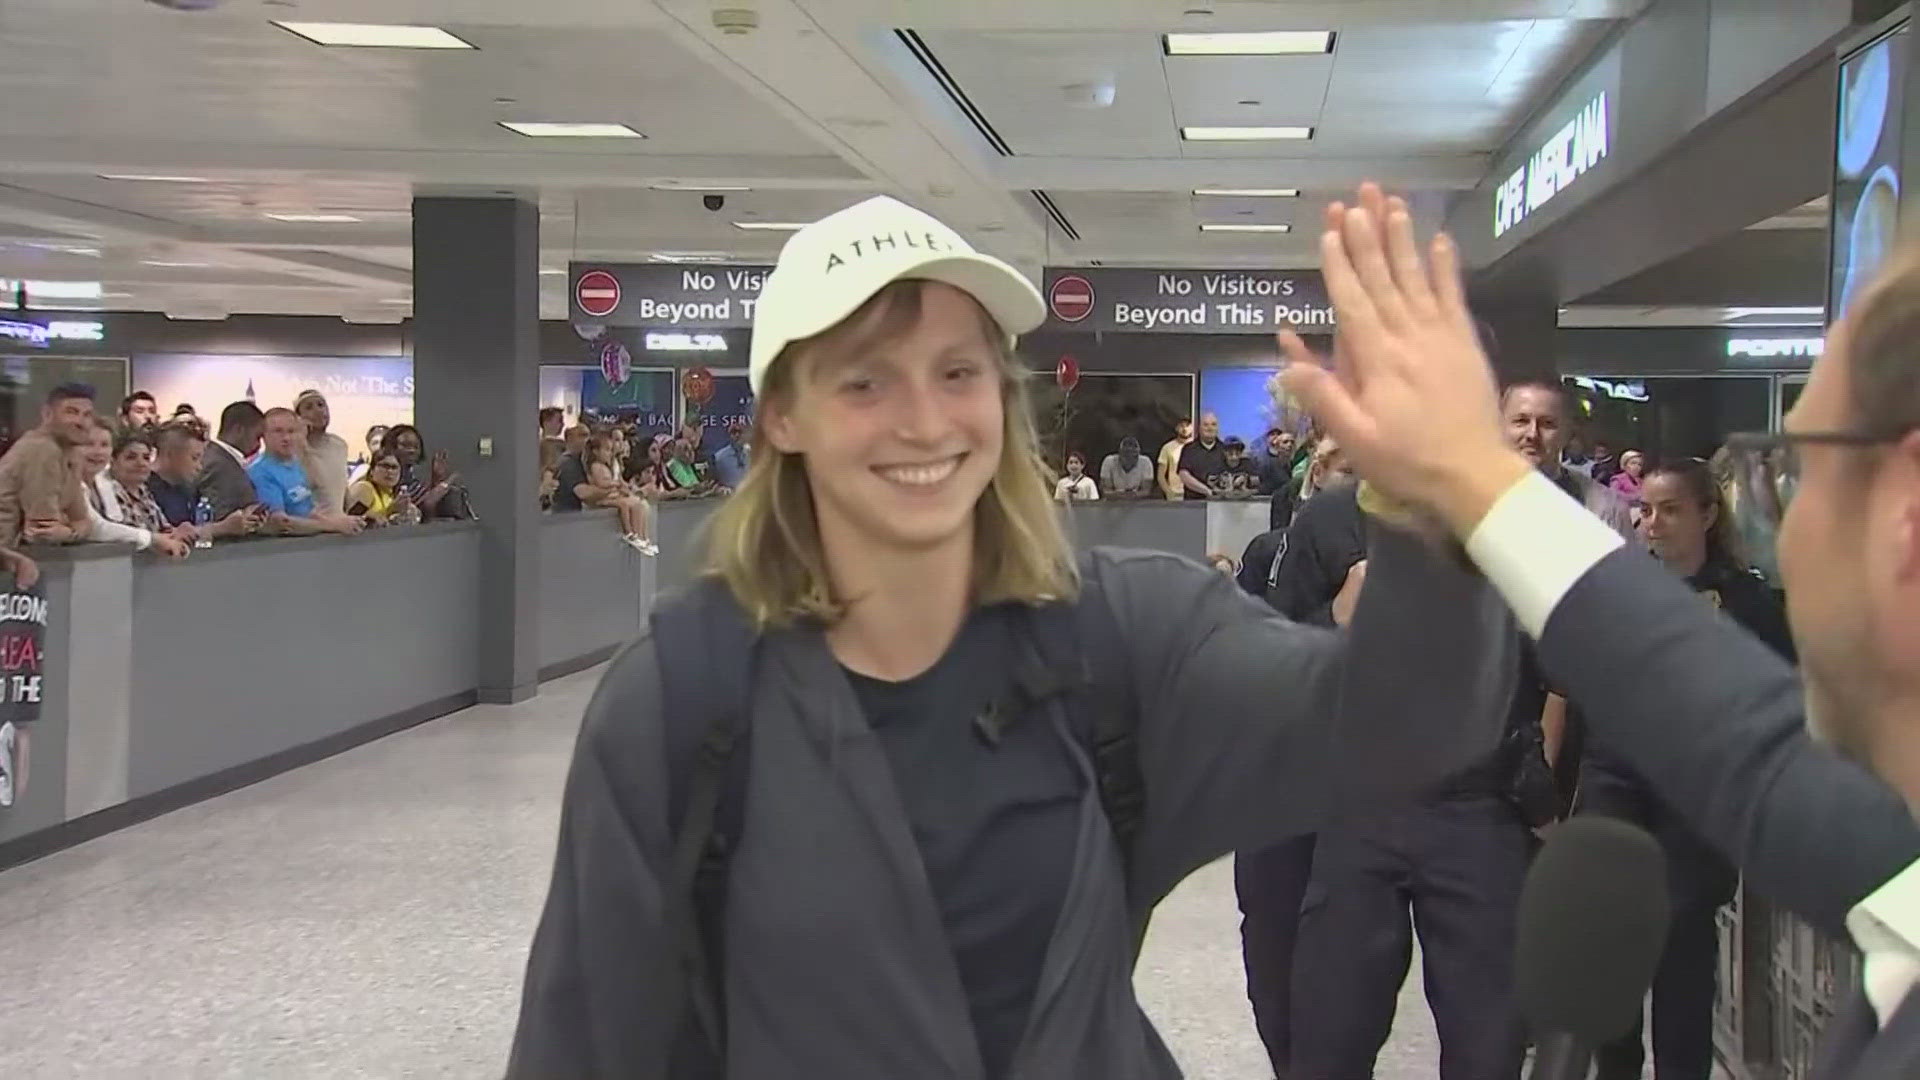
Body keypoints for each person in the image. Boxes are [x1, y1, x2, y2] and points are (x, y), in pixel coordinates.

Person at [508, 194, 1469, 1080]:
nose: (924, 421)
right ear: (782, 419)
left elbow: (1393, 725)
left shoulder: (1121, 640)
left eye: (957, 372)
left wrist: (1432, 500)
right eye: (864, 382)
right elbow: (586, 1039)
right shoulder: (684, 698)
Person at [1275, 183, 1920, 1077]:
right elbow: (1737, 733)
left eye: (1792, 473)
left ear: (1906, 515)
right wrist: (1461, 477)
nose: (1780, 521)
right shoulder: (1894, 867)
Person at [1585, 458, 1793, 1080]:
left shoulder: (1745, 599)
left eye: (1671, 510)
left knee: (1681, 951)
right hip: (1618, 780)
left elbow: (1777, 694)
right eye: (1646, 510)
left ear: (1706, 514)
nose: (1654, 523)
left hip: (1697, 794)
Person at [1232, 470, 1367, 1075]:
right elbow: (1262, 662)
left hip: (1409, 792)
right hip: (1290, 776)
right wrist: (1337, 616)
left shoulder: (1466, 526)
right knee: (1277, 959)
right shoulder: (1295, 540)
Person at [1502, 379, 1636, 536]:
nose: (1532, 434)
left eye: (1547, 423)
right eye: (1521, 421)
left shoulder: (1605, 509)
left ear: (1568, 433)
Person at [0, 383, 99, 549]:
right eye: (71, 412)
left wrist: (68, 531)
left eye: (87, 415)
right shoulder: (42, 449)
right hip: (9, 561)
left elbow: (83, 521)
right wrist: (71, 529)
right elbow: (42, 533)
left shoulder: (71, 454)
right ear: (47, 414)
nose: (81, 422)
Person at [70, 421, 188, 558]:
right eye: (89, 444)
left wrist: (176, 533)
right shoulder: (73, 484)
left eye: (104, 445)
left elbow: (161, 530)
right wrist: (153, 539)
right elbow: (97, 529)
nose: (97, 452)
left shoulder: (141, 491)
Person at [248, 408, 363, 536]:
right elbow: (280, 522)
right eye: (278, 431)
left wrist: (341, 521)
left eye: (291, 431)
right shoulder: (261, 472)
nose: (286, 438)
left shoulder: (297, 463)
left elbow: (308, 510)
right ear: (264, 435)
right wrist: (331, 526)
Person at [147, 422, 260, 539]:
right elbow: (161, 538)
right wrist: (221, 528)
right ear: (170, 454)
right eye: (194, 458)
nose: (199, 466)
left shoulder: (187, 488)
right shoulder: (146, 490)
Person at [580, 433, 657, 553]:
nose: (610, 454)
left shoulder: (608, 466)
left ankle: (642, 536)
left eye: (611, 451)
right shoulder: (595, 467)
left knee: (638, 504)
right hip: (604, 498)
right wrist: (614, 484)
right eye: (607, 450)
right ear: (595, 451)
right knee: (624, 504)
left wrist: (626, 487)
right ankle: (629, 532)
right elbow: (601, 483)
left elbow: (619, 481)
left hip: (613, 494)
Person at [385, 424, 471, 520]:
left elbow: (425, 509)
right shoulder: (385, 478)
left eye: (416, 447)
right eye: (405, 445)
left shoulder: (412, 480)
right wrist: (447, 483)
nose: (412, 451)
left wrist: (437, 479)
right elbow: (426, 503)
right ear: (391, 447)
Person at [199, 400, 265, 520]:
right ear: (239, 430)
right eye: (257, 437)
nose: (259, 445)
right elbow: (218, 516)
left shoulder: (221, 459)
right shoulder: (217, 465)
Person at [293, 390, 350, 515]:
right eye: (309, 407)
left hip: (339, 524)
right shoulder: (293, 449)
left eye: (321, 405)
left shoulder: (339, 445)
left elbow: (342, 489)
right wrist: (302, 442)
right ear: (299, 417)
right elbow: (312, 483)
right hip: (310, 525)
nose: (318, 410)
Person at [1175, 412, 1228, 500]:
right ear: (1199, 428)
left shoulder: (1225, 449)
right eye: (1206, 425)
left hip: (1221, 504)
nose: (1210, 428)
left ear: (1217, 428)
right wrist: (1207, 491)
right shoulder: (1189, 449)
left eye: (1213, 425)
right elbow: (1183, 475)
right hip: (1194, 504)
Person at [345, 451, 405, 525]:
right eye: (385, 466)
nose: (390, 471)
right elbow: (352, 520)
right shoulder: (365, 488)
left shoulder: (392, 494)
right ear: (372, 471)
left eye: (394, 467)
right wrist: (390, 511)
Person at [1258, 428, 1301, 529]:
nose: (1289, 445)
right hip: (1270, 511)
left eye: (1292, 442)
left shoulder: (1292, 465)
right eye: (1285, 442)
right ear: (1277, 447)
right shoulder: (1270, 464)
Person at [1157, 416, 1193, 500]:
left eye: (1187, 425)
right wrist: (1168, 492)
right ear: (1176, 428)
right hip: (1174, 495)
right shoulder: (1167, 447)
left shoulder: (1196, 448)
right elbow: (1160, 475)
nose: (1184, 428)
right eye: (1181, 425)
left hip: (1193, 495)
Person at [712, 419, 751, 490]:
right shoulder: (719, 457)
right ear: (729, 435)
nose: (737, 435)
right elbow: (714, 481)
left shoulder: (751, 455)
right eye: (734, 432)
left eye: (740, 432)